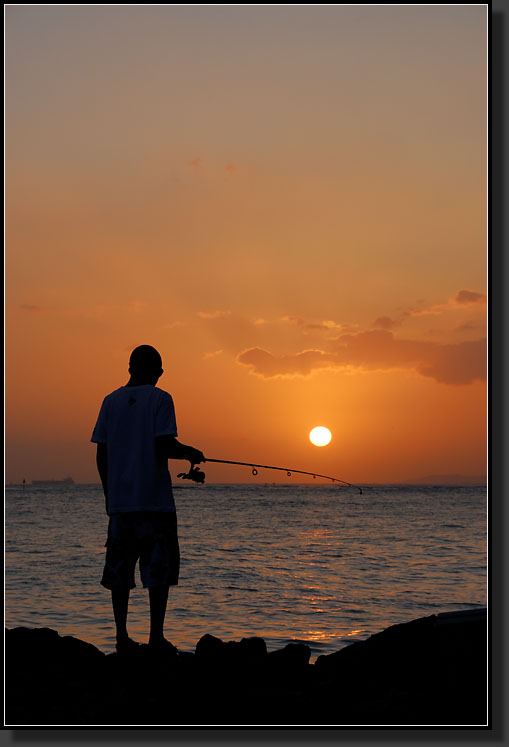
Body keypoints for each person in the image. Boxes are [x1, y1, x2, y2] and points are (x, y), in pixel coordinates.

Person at [91, 344, 205, 654]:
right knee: (159, 573)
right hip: (155, 504)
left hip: (121, 505)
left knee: (119, 575)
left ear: (129, 368)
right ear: (157, 371)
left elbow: (101, 452)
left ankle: (121, 638)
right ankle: (156, 637)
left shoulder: (109, 402)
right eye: (160, 370)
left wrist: (108, 494)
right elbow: (164, 444)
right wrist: (189, 453)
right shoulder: (161, 399)